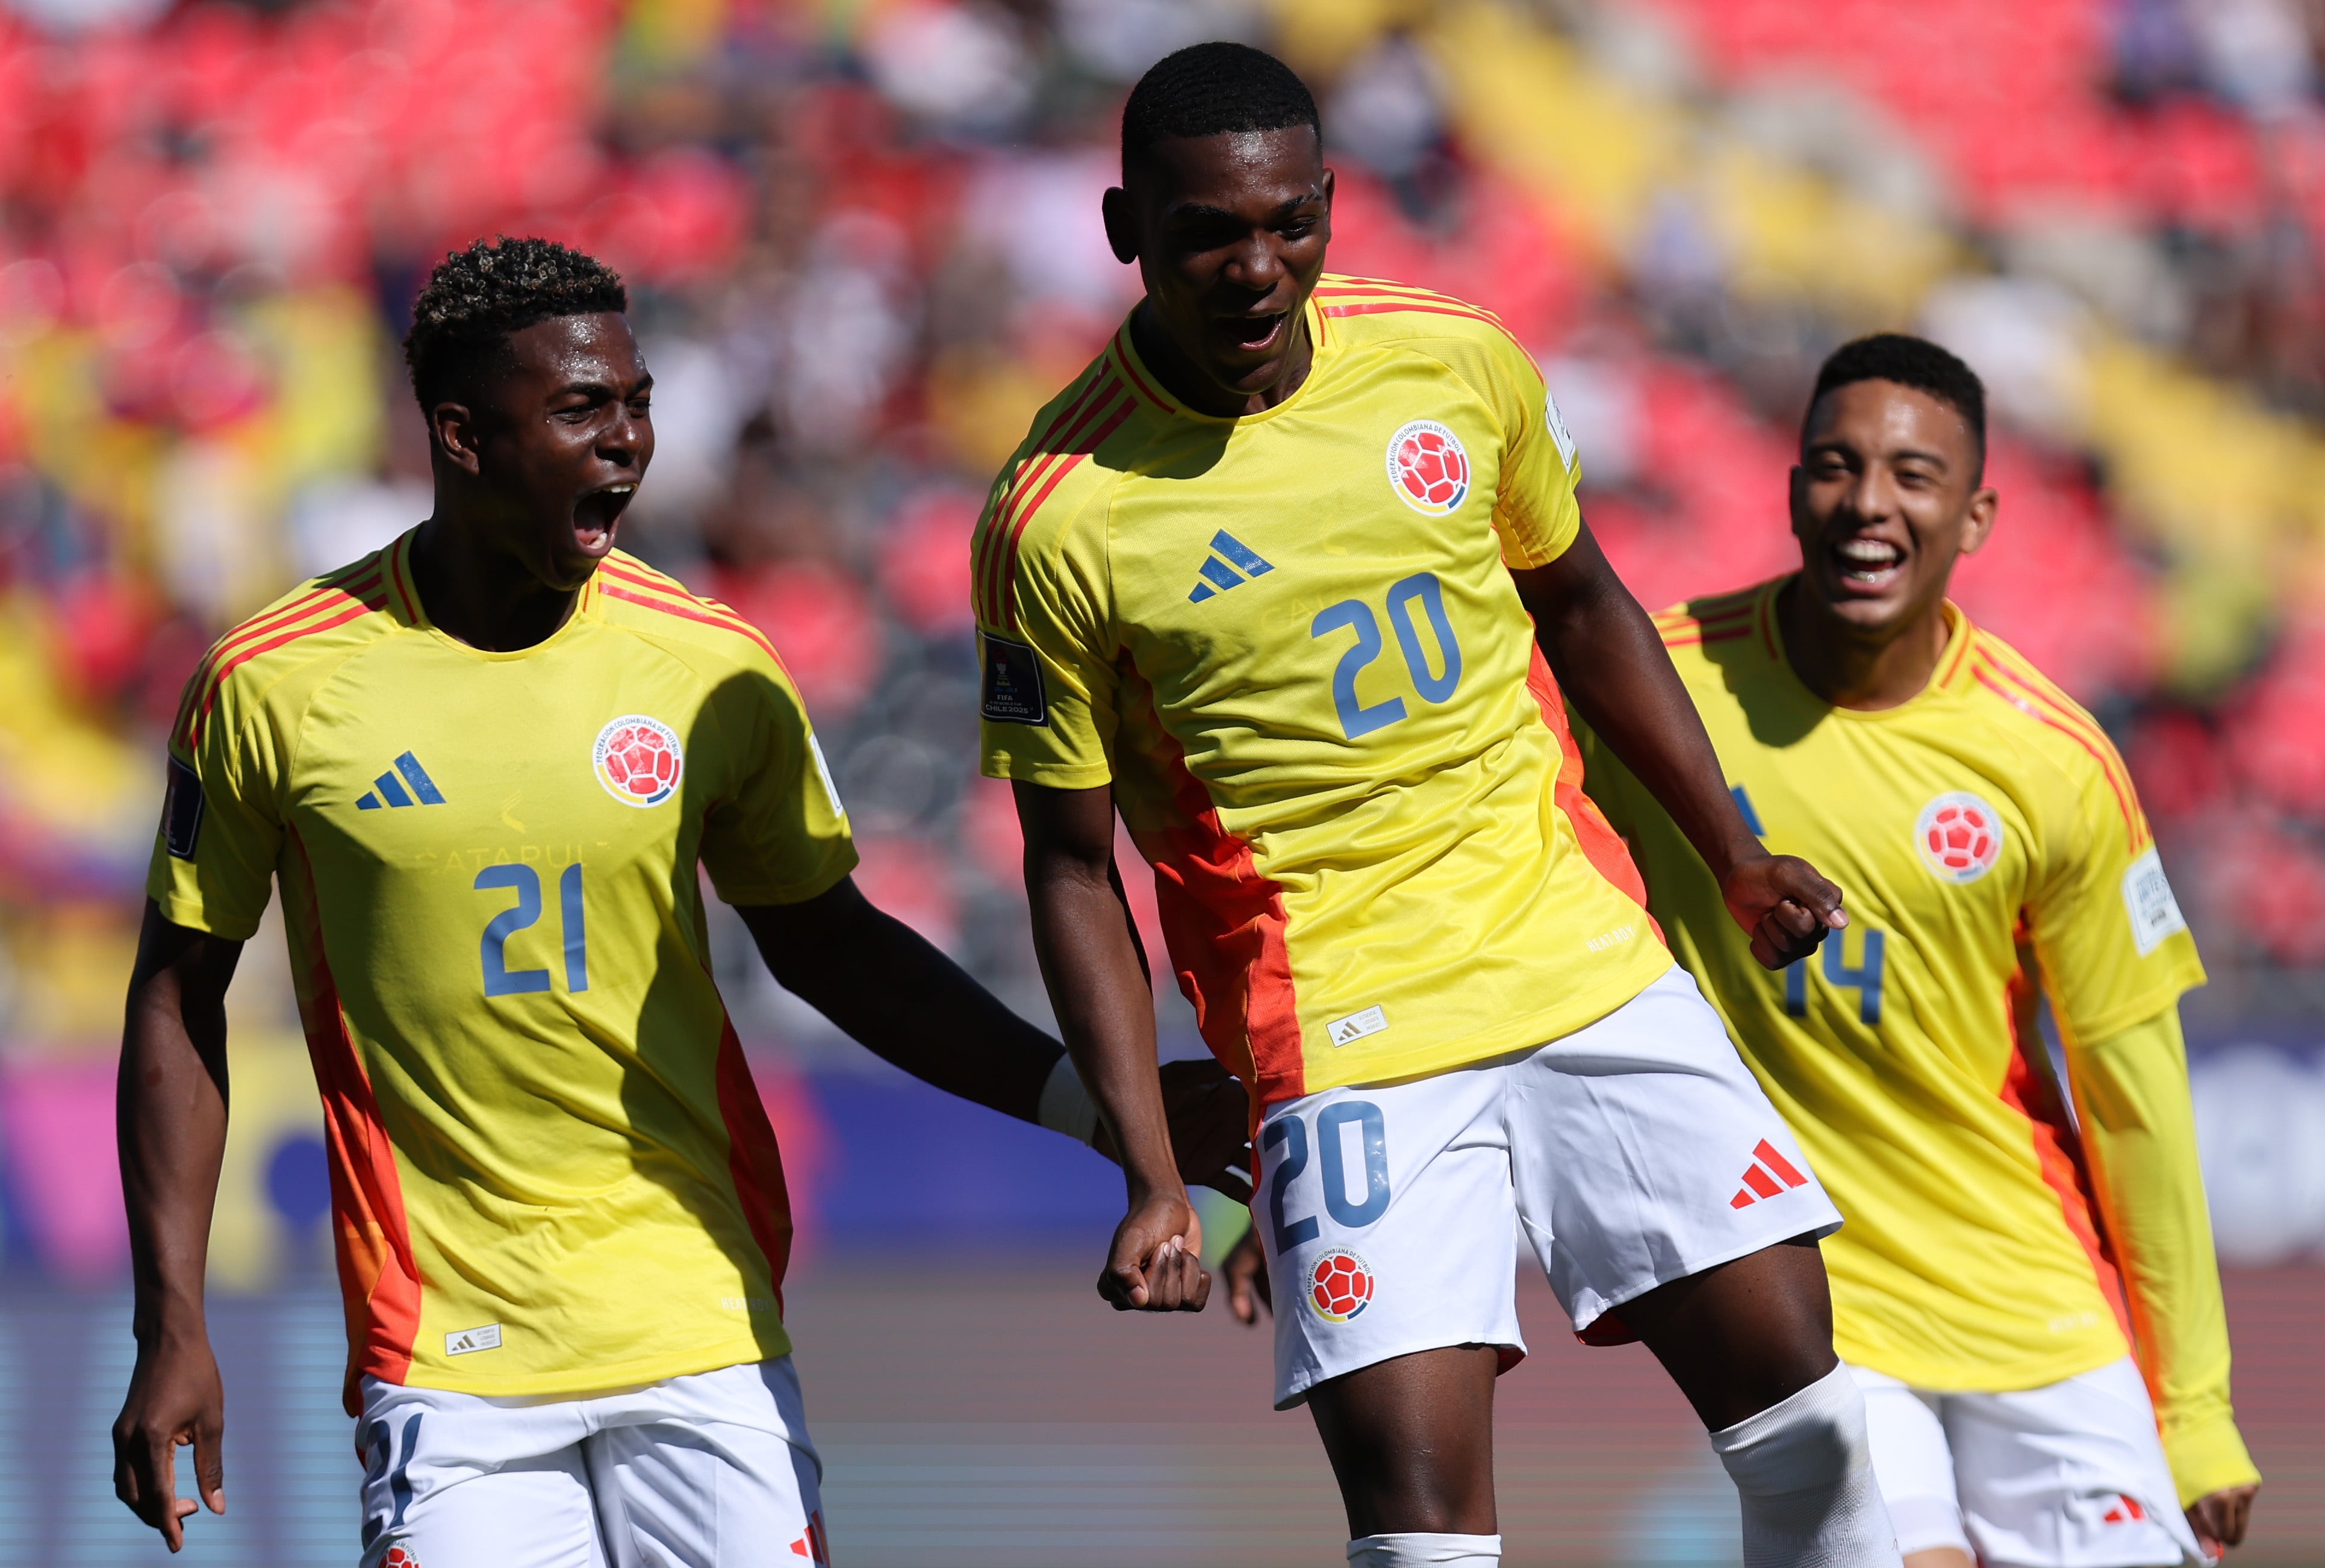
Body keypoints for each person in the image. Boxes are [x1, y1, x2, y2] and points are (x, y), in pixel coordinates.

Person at [113, 237, 1245, 1565]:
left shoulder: (710, 667)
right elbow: (179, 997)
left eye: (636, 403)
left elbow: (833, 945)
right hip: (449, 1346)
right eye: (581, 411)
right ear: (463, 435)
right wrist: (173, 1324)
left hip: (699, 1317)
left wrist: (1095, 1106)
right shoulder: (272, 682)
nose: (627, 444)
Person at [974, 42, 1903, 1568]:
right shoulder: (1056, 513)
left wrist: (1729, 856)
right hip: (1342, 1030)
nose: (1255, 266)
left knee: (1819, 1437)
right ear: (1125, 228)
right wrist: (1151, 1171)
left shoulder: (1455, 363)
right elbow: (1070, 866)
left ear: (1334, 207)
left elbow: (1586, 605)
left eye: (1290, 223)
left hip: (1576, 960)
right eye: (1209, 231)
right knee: (1424, 1540)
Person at [1570, 335, 2261, 1568]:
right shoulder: (1652, 693)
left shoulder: (2050, 761)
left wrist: (2195, 1410)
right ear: (1791, 492)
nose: (1867, 504)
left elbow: (2135, 1103)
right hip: (1818, 1312)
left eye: (1911, 474)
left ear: (1979, 514)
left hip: (2030, 1298)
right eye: (1834, 468)